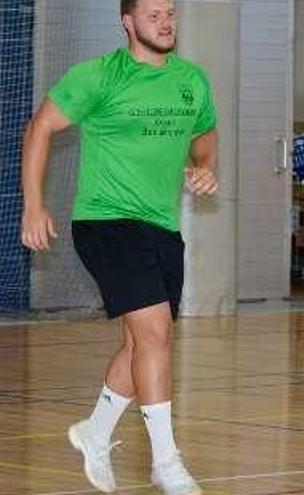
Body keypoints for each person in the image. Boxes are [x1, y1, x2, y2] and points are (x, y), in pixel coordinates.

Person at [19, 1, 217, 494]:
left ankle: (95, 431)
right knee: (155, 336)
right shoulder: (98, 76)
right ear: (128, 22)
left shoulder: (192, 80)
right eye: (153, 15)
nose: (166, 21)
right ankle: (166, 463)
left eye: (170, 12)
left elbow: (205, 132)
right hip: (106, 222)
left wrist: (204, 164)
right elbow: (41, 126)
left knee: (139, 344)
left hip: (161, 228)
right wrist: (33, 205)